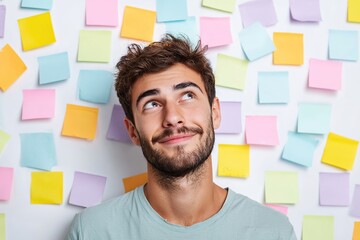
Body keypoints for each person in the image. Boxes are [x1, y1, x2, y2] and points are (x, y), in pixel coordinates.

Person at [66, 34, 297, 240]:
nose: (173, 117)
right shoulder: (91, 231)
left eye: (187, 95)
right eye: (152, 104)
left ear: (215, 113)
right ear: (133, 131)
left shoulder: (273, 231)